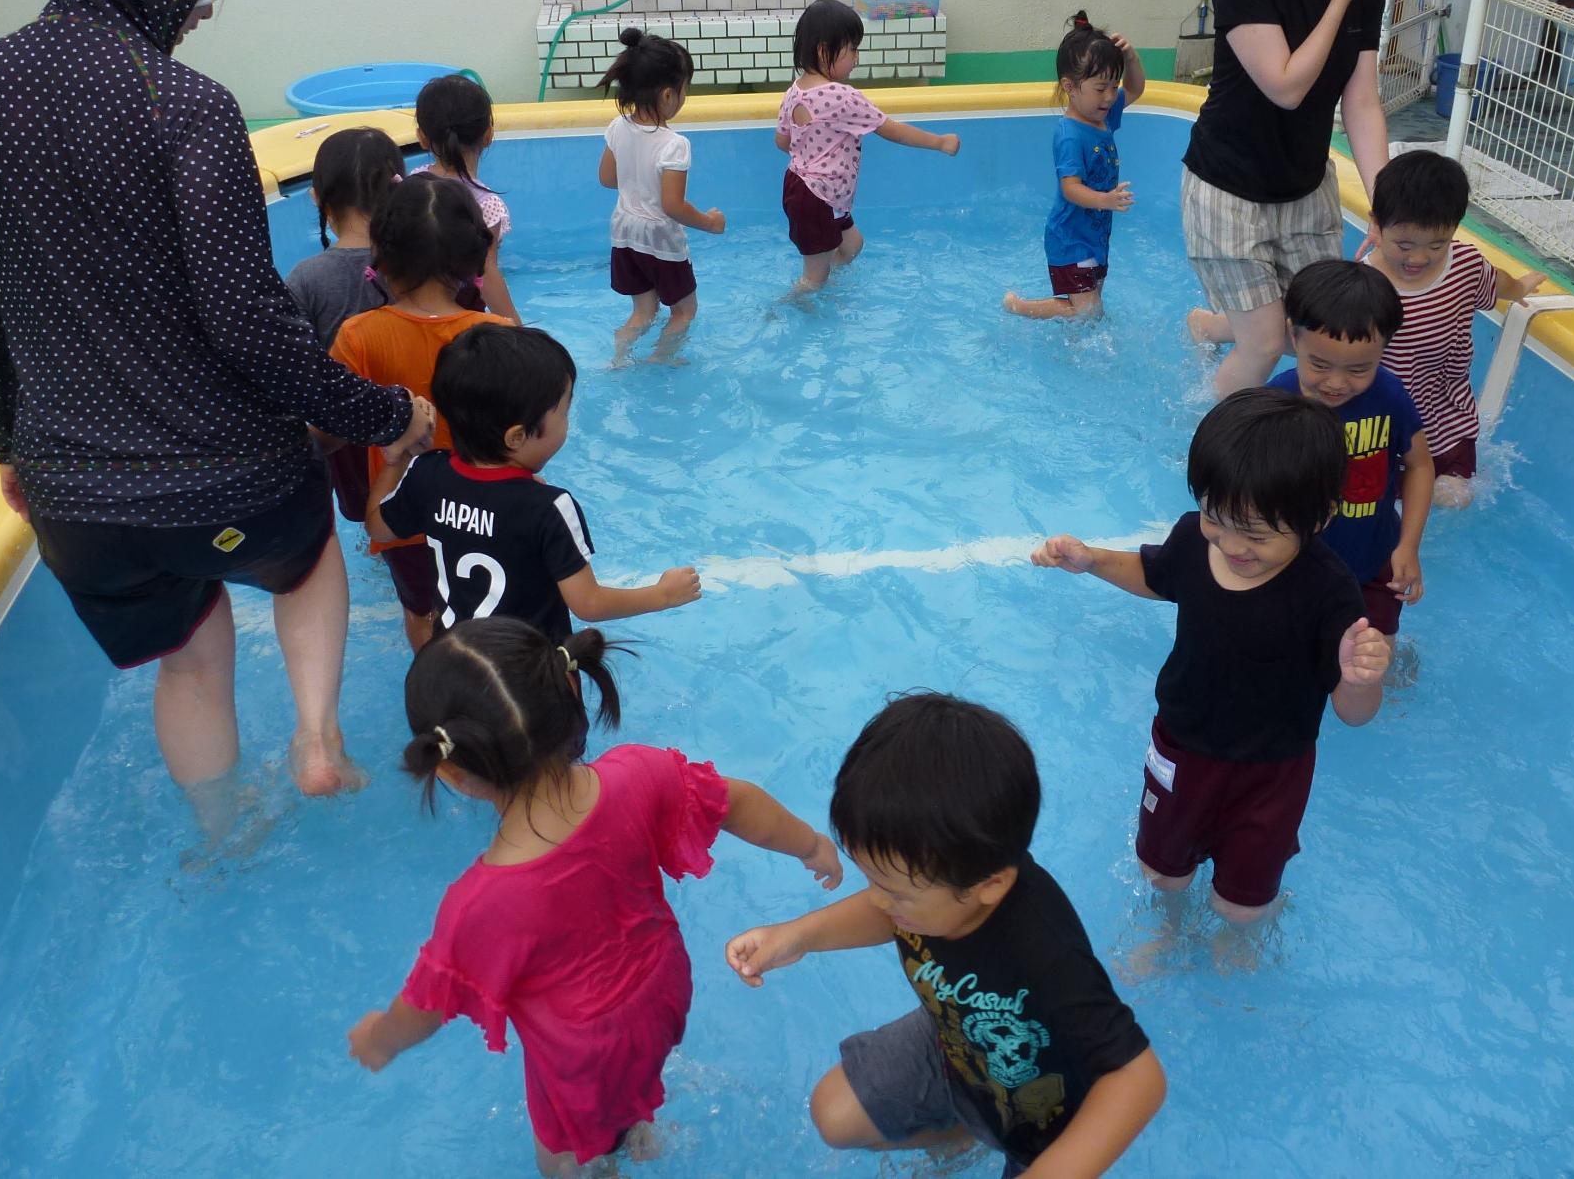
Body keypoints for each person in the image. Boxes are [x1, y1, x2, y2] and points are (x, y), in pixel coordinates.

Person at [0, 0, 431, 818]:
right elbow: (246, 320)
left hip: (77, 503)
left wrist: (9, 443)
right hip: (227, 477)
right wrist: (382, 415)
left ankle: (220, 834)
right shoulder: (186, 106)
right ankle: (317, 737)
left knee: (190, 667)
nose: (204, 6)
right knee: (309, 561)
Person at [347, 616, 841, 1178]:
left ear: (455, 774)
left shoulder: (481, 903)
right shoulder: (639, 772)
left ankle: (602, 1160)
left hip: (581, 1051)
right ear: (568, 693)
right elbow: (738, 802)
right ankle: (639, 1133)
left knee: (560, 1153)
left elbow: (428, 1006)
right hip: (663, 990)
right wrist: (811, 844)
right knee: (628, 1084)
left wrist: (381, 1039)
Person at [725, 693, 1165, 1178]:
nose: (880, 901)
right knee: (834, 1113)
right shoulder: (941, 880)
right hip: (955, 1046)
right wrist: (800, 936)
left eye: (893, 891)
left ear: (988, 886)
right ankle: (962, 1136)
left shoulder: (1043, 953)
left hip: (1041, 1117)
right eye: (873, 882)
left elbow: (1136, 1078)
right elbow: (889, 911)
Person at [1031, 389, 1390, 928]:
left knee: (1241, 904)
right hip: (1182, 743)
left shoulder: (1328, 592)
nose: (1230, 544)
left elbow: (1352, 712)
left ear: (1319, 518)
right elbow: (1155, 576)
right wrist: (1092, 561)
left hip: (1273, 769)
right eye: (1214, 517)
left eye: (1256, 534)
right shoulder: (1195, 543)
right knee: (1162, 872)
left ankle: (1236, 939)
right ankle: (1171, 928)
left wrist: (1361, 677)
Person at [1181, 0, 1395, 398]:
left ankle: (1211, 325)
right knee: (1267, 344)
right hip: (1229, 191)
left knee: (1321, 330)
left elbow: (1363, 103)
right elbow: (1286, 84)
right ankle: (1219, 459)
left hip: (1305, 189)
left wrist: (1386, 203)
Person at [368, 323, 702, 639]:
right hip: (528, 678)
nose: (567, 422)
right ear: (516, 437)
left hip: (455, 665)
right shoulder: (549, 508)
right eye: (564, 412)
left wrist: (396, 460)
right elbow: (589, 604)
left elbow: (378, 529)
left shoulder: (427, 473)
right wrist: (662, 595)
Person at [331, 176, 502, 651]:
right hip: (483, 512)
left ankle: (433, 679)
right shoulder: (498, 333)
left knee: (421, 610)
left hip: (403, 515)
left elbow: (334, 428)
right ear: (470, 257)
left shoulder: (357, 336)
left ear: (382, 256)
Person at [1365, 150, 1545, 508]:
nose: (1418, 258)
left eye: (1437, 244)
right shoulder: (1363, 286)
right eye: (1404, 245)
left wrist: (1520, 288)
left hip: (1448, 417)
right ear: (1375, 225)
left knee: (1455, 498)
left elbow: (1497, 282)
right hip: (1386, 426)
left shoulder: (1464, 265)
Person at [1271, 260, 1433, 645]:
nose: (1337, 383)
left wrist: (1408, 546)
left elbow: (1420, 466)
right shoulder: (1277, 402)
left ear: (1383, 351)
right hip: (1294, 566)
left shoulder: (1389, 397)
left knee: (1374, 661)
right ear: (1295, 338)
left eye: (1359, 369)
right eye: (1319, 364)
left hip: (1376, 561)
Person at [777, 0, 961, 292]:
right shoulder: (843, 96)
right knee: (814, 277)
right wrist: (939, 142)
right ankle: (787, 307)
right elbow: (892, 130)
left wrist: (814, 155)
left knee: (852, 244)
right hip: (818, 197)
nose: (857, 58)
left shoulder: (794, 91)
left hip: (805, 189)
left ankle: (827, 280)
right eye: (852, 50)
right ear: (825, 51)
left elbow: (782, 140)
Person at [287, 126, 402, 522]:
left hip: (346, 436)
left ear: (318, 198)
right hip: (421, 418)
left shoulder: (307, 278)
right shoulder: (419, 261)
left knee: (372, 517)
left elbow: (295, 372)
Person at [1003, 14, 1148, 321]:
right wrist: (1105, 200)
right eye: (1100, 88)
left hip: (1095, 233)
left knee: (1094, 309)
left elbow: (1135, 89)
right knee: (1086, 311)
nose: (1110, 96)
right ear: (1070, 86)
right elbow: (1070, 187)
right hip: (1070, 238)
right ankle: (1020, 307)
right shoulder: (1069, 134)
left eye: (1113, 85)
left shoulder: (1103, 116)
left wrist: (1132, 58)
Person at [594, 28, 723, 360]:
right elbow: (672, 206)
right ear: (668, 95)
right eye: (684, 91)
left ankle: (619, 358)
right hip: (660, 240)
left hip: (624, 232)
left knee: (643, 311)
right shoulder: (674, 145)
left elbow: (607, 179)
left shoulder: (617, 127)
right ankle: (659, 360)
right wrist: (708, 222)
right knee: (683, 311)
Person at [411, 73, 520, 323]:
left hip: (409, 314)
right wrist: (516, 327)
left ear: (422, 137)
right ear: (488, 134)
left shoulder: (411, 186)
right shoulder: (486, 204)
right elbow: (487, 274)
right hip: (460, 321)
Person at [285, 126, 401, 348]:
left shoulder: (306, 279)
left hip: (340, 382)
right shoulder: (425, 257)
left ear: (317, 198)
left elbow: (295, 359)